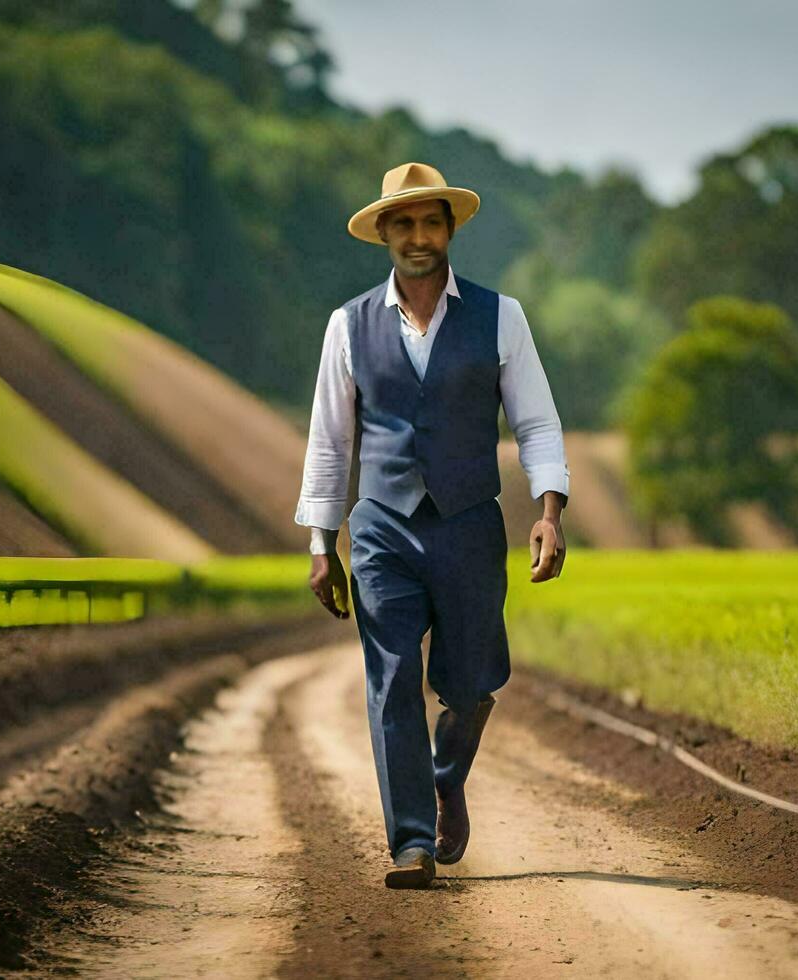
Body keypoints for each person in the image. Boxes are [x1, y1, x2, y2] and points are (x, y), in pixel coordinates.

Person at [295, 162, 569, 889]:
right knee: (390, 681)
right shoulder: (347, 325)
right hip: (382, 526)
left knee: (473, 683)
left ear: (449, 231)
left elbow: (537, 422)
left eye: (431, 222)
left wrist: (549, 512)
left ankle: (447, 778)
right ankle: (410, 842)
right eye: (404, 223)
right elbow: (330, 441)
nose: (418, 237)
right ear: (384, 234)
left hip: (471, 523)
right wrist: (322, 544)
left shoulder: (499, 316)